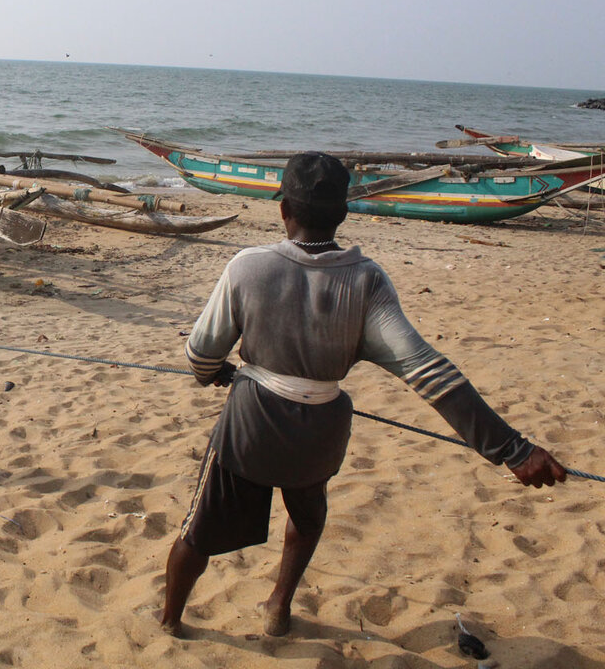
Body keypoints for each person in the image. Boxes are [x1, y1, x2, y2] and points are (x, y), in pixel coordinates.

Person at [160, 151, 567, 639]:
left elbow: (200, 354)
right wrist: (514, 450)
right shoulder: (367, 280)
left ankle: (170, 621)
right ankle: (278, 605)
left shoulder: (249, 267)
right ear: (344, 212)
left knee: (198, 533)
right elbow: (429, 373)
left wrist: (217, 374)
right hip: (319, 434)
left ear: (284, 209)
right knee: (307, 518)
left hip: (252, 428)